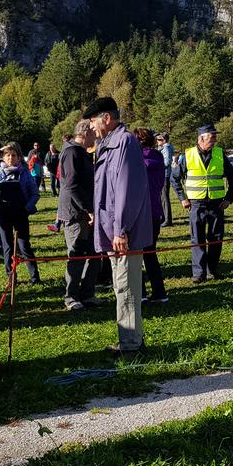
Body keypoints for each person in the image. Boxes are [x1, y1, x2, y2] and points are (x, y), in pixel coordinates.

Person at [83, 96, 152, 354]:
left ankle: (131, 344)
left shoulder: (124, 143)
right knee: (121, 285)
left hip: (123, 232)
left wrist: (120, 229)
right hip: (113, 229)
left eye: (93, 121)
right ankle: (131, 339)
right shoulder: (109, 144)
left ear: (107, 118)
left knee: (127, 286)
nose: (91, 127)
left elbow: (126, 190)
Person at [172, 124, 233, 283]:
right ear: (201, 139)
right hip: (196, 204)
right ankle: (198, 273)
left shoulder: (220, 154)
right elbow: (174, 178)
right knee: (197, 239)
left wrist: (229, 198)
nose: (214, 140)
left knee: (216, 238)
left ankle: (212, 271)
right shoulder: (188, 155)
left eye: (215, 137)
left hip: (216, 204)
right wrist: (183, 198)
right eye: (212, 137)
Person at [57, 120, 102, 310]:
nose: (96, 136)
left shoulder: (81, 152)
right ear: (85, 133)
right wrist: (88, 209)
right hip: (76, 214)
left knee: (94, 254)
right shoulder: (71, 152)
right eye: (93, 132)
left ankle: (88, 294)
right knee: (76, 255)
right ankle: (71, 296)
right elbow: (71, 186)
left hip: (87, 212)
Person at [0, 141, 41, 284]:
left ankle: (35, 277)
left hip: (20, 214)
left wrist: (27, 208)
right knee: (7, 247)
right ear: (3, 158)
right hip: (3, 214)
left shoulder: (25, 174)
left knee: (24, 246)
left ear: (18, 157)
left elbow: (35, 194)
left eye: (13, 155)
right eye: (7, 155)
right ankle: (11, 277)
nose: (10, 158)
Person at [135, 127, 168, 302]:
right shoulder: (159, 157)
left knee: (135, 254)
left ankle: (140, 293)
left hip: (139, 212)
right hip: (155, 210)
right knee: (150, 252)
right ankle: (159, 292)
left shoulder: (136, 160)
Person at [156, 132, 174, 227]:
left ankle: (167, 219)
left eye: (159, 140)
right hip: (164, 174)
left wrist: (157, 165)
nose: (157, 141)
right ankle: (164, 218)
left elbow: (167, 162)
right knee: (163, 197)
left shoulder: (166, 148)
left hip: (165, 175)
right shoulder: (164, 148)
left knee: (165, 198)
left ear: (164, 140)